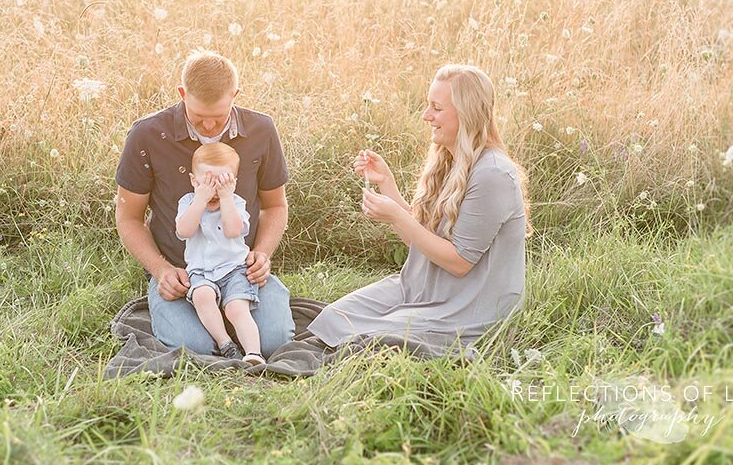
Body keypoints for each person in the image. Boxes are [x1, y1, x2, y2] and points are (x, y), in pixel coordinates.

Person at [307, 64, 531, 351]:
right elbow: (418, 239)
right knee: (333, 320)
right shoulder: (448, 161)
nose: (426, 116)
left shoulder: (493, 174)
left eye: (436, 108)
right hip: (423, 288)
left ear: (466, 113)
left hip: (467, 307)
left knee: (367, 339)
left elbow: (459, 262)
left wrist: (398, 215)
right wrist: (387, 184)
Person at [114, 50, 294, 359]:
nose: (209, 126)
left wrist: (262, 254)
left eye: (219, 116)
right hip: (183, 275)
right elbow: (129, 217)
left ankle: (237, 311)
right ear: (182, 94)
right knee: (195, 348)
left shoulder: (261, 130)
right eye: (199, 117)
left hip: (239, 267)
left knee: (275, 340)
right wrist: (161, 271)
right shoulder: (147, 135)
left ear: (234, 95)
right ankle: (212, 323)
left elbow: (275, 206)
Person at [175, 142, 265, 365]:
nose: (215, 189)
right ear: (194, 181)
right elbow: (184, 230)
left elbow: (233, 230)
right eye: (208, 181)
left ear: (233, 182)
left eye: (222, 182)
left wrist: (226, 198)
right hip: (201, 271)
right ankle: (226, 344)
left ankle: (254, 353)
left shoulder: (235, 203)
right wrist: (200, 199)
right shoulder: (188, 202)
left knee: (236, 307)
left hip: (234, 268)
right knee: (202, 296)